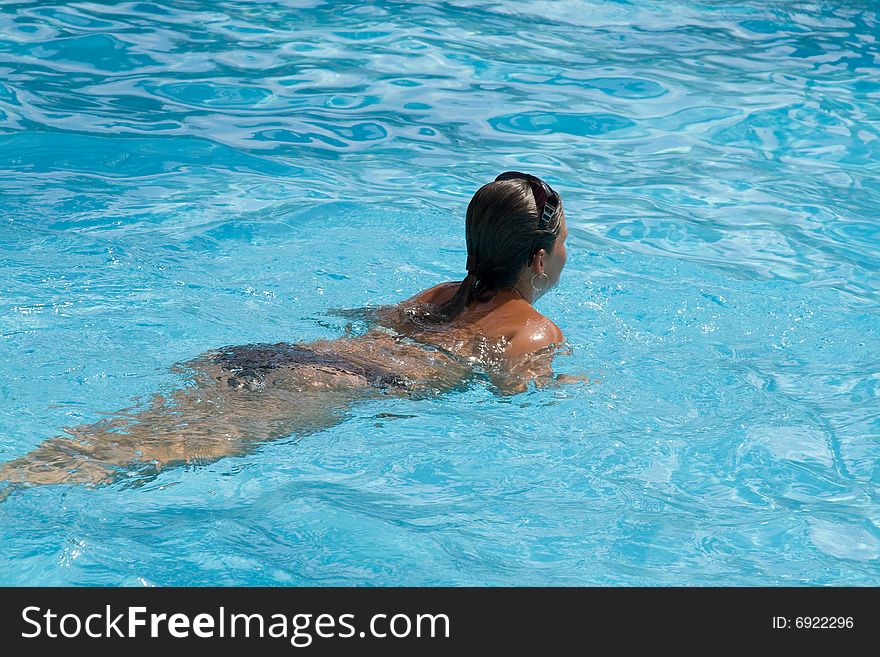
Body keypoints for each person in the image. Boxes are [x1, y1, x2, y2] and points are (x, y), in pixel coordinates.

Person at [0, 171, 578, 491]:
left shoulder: (440, 296)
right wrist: (571, 386)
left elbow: (368, 323)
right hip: (333, 382)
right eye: (564, 243)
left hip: (278, 356)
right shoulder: (534, 330)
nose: (567, 253)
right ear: (535, 259)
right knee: (132, 457)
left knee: (110, 439)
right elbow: (516, 397)